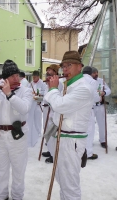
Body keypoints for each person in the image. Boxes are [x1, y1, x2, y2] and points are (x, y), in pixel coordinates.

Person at [44, 51, 94, 200]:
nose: (65, 69)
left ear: (79, 66)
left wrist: (53, 89)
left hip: (72, 141)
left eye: (69, 65)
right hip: (63, 138)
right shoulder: (70, 85)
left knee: (70, 186)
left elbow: (60, 106)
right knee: (63, 181)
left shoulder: (83, 88)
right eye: (63, 66)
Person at [0, 59, 33, 200]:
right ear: (5, 78)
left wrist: (10, 94)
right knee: (0, 169)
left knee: (18, 169)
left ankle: (17, 197)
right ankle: (1, 196)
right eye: (13, 76)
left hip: (18, 136)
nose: (17, 78)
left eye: (17, 75)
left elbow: (24, 108)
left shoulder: (26, 90)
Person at [42, 64, 63, 163]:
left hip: (53, 112)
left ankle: (54, 154)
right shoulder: (48, 83)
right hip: (46, 111)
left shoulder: (58, 83)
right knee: (47, 131)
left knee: (52, 133)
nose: (48, 72)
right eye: (47, 70)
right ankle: (50, 151)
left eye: (50, 70)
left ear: (55, 72)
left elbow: (57, 98)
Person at [82, 66, 101, 160]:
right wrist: (99, 96)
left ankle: (80, 151)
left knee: (81, 130)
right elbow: (95, 97)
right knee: (89, 131)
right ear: (90, 73)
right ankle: (88, 153)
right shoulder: (92, 81)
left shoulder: (79, 79)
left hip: (79, 109)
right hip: (89, 109)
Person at [91, 67, 111, 148]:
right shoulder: (87, 81)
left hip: (100, 105)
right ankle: (89, 141)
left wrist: (104, 92)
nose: (96, 74)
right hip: (90, 106)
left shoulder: (101, 81)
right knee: (90, 125)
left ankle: (103, 140)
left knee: (102, 123)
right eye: (94, 73)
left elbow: (109, 90)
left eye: (96, 72)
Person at [27, 70, 46, 147]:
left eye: (35, 77)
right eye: (33, 77)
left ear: (38, 76)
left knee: (38, 118)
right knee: (32, 118)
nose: (34, 78)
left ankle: (38, 132)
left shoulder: (42, 83)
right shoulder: (30, 83)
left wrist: (38, 93)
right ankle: (33, 132)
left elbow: (44, 92)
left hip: (39, 103)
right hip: (32, 103)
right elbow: (28, 90)